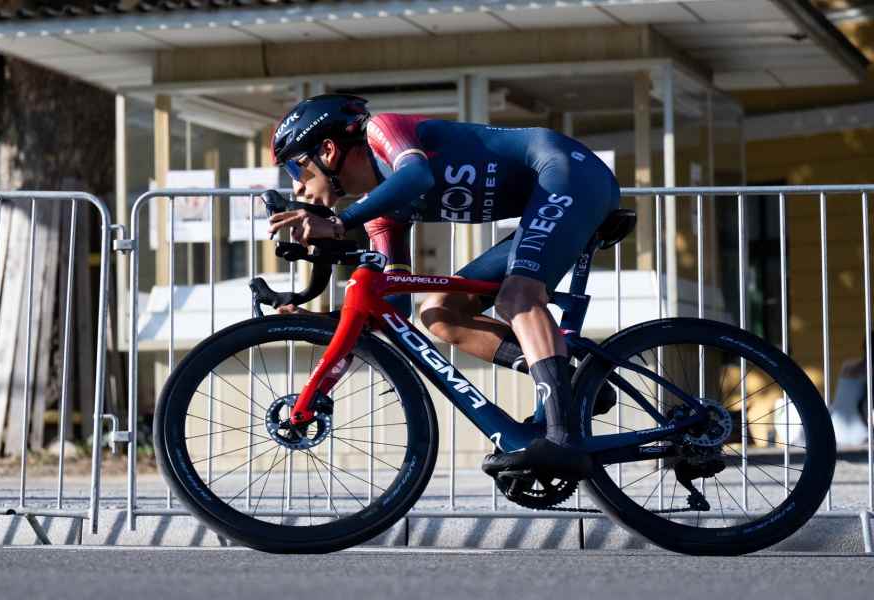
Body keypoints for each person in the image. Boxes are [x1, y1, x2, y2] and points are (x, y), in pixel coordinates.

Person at [266, 94, 621, 479]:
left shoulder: (383, 132)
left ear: (329, 150)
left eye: (295, 168)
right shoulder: (381, 212)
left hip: (564, 170)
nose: (296, 187)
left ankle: (562, 436)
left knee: (518, 295)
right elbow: (394, 306)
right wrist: (322, 322)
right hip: (546, 194)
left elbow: (417, 176)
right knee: (438, 313)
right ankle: (572, 384)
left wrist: (339, 223)